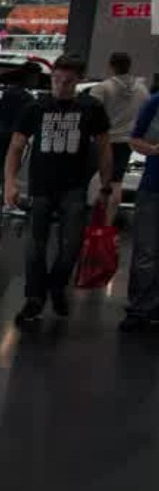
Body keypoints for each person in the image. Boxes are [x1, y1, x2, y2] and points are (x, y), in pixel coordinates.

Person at [3, 53, 113, 324]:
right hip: (40, 187)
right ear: (52, 78)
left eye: (68, 81)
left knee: (71, 245)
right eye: (57, 79)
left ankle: (56, 284)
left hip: (74, 187)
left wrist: (105, 185)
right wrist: (10, 182)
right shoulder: (36, 108)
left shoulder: (90, 108)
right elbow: (16, 147)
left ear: (78, 80)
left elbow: (104, 148)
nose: (61, 85)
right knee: (34, 247)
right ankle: (34, 298)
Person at [92, 51, 148, 205]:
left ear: (111, 66)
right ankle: (110, 218)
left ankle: (96, 216)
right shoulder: (142, 90)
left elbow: (90, 114)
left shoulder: (102, 88)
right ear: (129, 66)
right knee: (116, 182)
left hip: (103, 141)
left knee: (99, 181)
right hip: (126, 142)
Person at [125, 90, 159, 330]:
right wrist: (155, 150)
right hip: (153, 187)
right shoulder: (155, 103)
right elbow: (135, 140)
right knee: (146, 250)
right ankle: (139, 308)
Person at [0, 66, 34, 200]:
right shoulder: (26, 97)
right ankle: (6, 195)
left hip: (1, 132)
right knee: (10, 166)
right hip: (13, 134)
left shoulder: (6, 93)